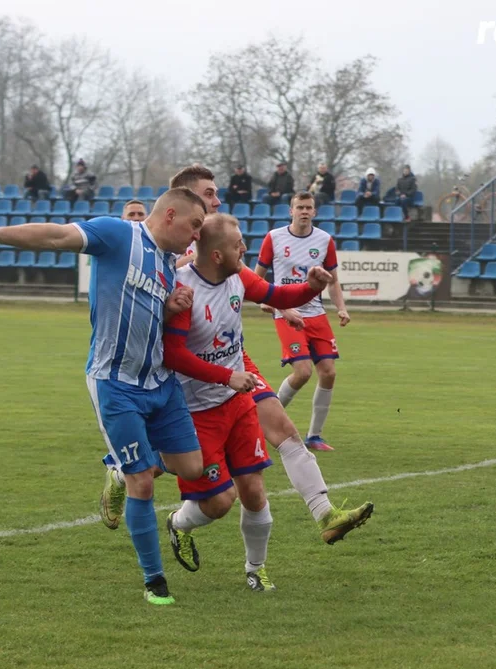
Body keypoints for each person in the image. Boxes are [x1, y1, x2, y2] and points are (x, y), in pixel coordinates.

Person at [104, 165, 374, 546]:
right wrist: (170, 303)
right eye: (209, 193)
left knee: (280, 432)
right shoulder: (168, 250)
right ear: (187, 199)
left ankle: (324, 513)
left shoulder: (222, 247)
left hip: (234, 362)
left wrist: (299, 295)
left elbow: (262, 288)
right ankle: (125, 469)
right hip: (188, 381)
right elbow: (145, 314)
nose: (217, 199)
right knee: (188, 468)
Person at [0, 188, 209, 605]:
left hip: (160, 384)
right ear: (170, 215)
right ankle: (155, 581)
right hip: (116, 385)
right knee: (143, 482)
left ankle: (119, 464)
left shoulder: (169, 265)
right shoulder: (117, 235)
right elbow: (57, 236)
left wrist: (171, 306)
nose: (196, 235)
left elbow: (151, 315)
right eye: (195, 225)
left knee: (192, 467)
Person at [163, 213, 333, 591]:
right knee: (219, 504)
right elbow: (173, 355)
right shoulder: (184, 291)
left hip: (237, 401)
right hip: (197, 411)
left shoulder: (238, 276)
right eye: (238, 242)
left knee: (254, 491)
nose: (246, 247)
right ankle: (177, 523)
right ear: (218, 255)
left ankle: (255, 569)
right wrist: (228, 376)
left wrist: (310, 288)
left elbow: (278, 296)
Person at [255, 191, 351, 452]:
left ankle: (315, 436)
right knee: (303, 372)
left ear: (315, 212)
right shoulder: (274, 238)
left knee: (329, 373)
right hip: (286, 312)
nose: (304, 211)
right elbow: (258, 279)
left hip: (315, 313)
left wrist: (341, 308)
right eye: (300, 207)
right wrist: (278, 306)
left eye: (309, 207)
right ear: (291, 211)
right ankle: (261, 424)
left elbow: (333, 281)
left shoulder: (324, 240)